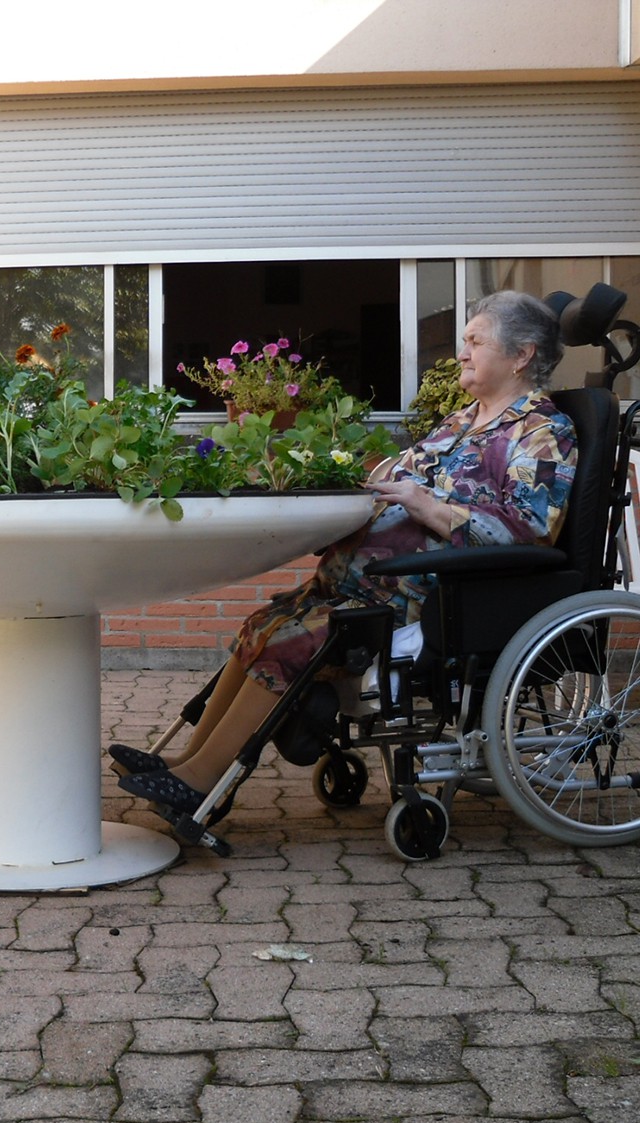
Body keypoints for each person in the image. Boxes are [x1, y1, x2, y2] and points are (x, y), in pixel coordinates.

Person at [111, 290, 578, 816]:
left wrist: (425, 505)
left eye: (475, 341)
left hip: (426, 597)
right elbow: (398, 474)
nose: (462, 354)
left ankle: (200, 784)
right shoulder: (460, 422)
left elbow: (529, 530)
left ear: (522, 355)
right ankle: (188, 762)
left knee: (289, 643)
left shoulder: (542, 433)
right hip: (358, 586)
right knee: (259, 626)